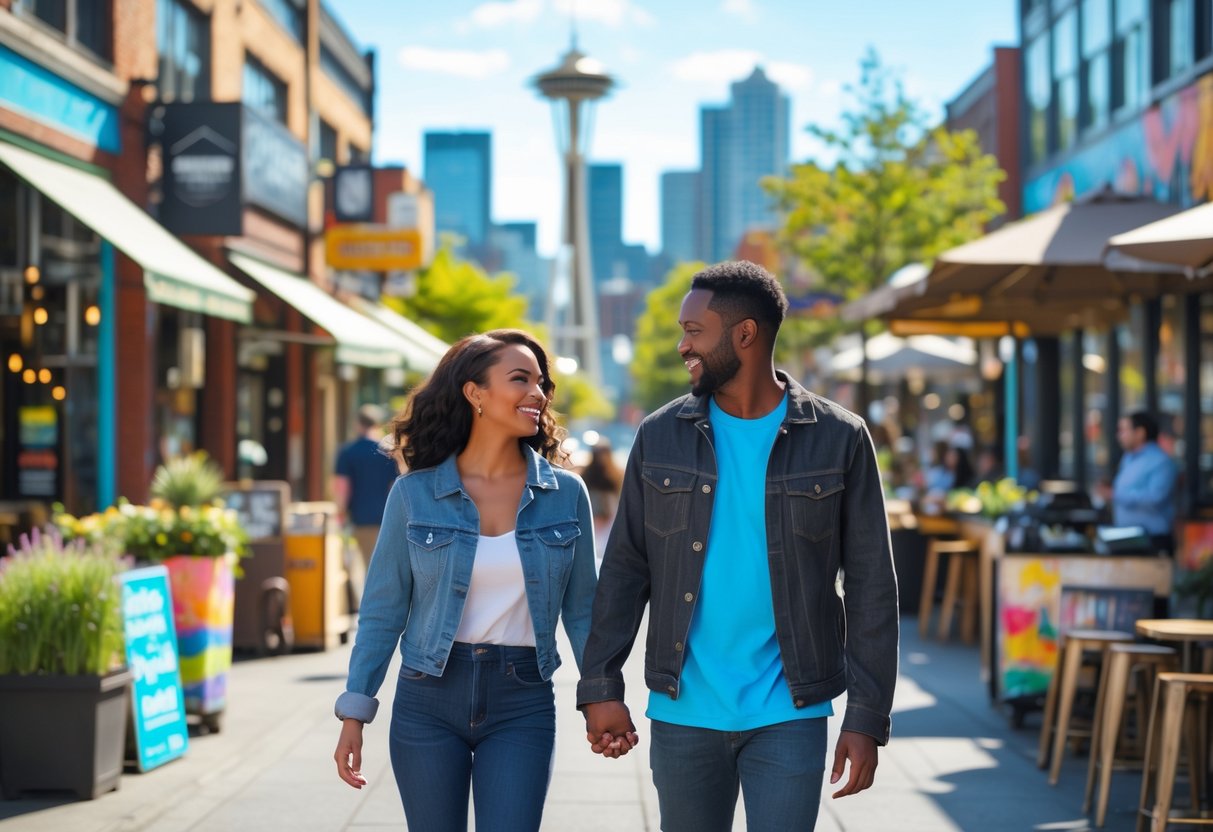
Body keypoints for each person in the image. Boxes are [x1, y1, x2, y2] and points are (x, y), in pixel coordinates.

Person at [577, 261, 899, 831]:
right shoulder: (660, 434)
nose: (682, 346)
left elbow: (873, 585)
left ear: (744, 335)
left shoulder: (839, 437)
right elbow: (625, 568)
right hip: (684, 709)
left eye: (694, 331)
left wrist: (867, 716)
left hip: (790, 708)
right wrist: (600, 685)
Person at [333, 330, 599, 832]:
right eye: (519, 379)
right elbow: (384, 610)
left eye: (541, 383)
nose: (537, 394)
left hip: (523, 699)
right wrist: (356, 712)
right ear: (474, 393)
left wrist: (601, 693)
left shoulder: (566, 493)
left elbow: (583, 608)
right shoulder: (414, 495)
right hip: (427, 696)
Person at [332, 403, 399, 573]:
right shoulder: (388, 452)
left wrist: (340, 514)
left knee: (363, 569)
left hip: (360, 519)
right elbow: (395, 486)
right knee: (384, 569)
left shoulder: (348, 452)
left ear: (358, 424)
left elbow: (342, 488)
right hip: (387, 519)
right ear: (377, 424)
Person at [1101, 411, 1178, 555]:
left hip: (1152, 541)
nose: (1119, 436)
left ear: (1140, 433)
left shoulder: (1160, 461)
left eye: (1123, 430)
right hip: (1126, 538)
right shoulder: (1128, 458)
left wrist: (1116, 495)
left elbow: (1156, 498)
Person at [578, 440, 624, 568]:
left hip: (608, 521)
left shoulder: (616, 475)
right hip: (592, 519)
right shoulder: (586, 474)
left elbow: (616, 500)